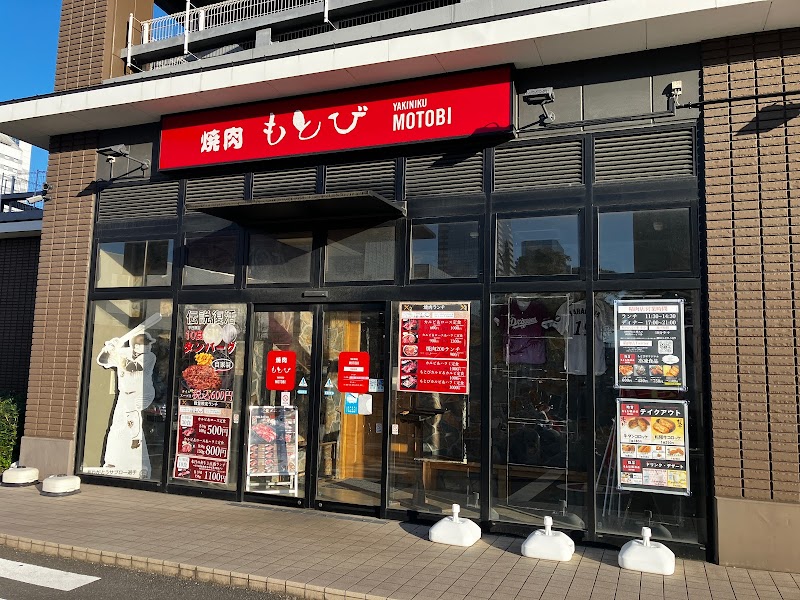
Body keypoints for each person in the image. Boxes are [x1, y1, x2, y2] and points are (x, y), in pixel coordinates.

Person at [96, 331, 157, 478]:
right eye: (144, 344)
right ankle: (112, 462)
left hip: (142, 394)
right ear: (135, 346)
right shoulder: (124, 352)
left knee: (133, 422)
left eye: (148, 344)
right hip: (124, 395)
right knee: (117, 427)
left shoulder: (150, 357)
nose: (148, 346)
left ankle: (139, 465)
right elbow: (103, 361)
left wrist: (116, 353)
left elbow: (133, 367)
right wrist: (108, 350)